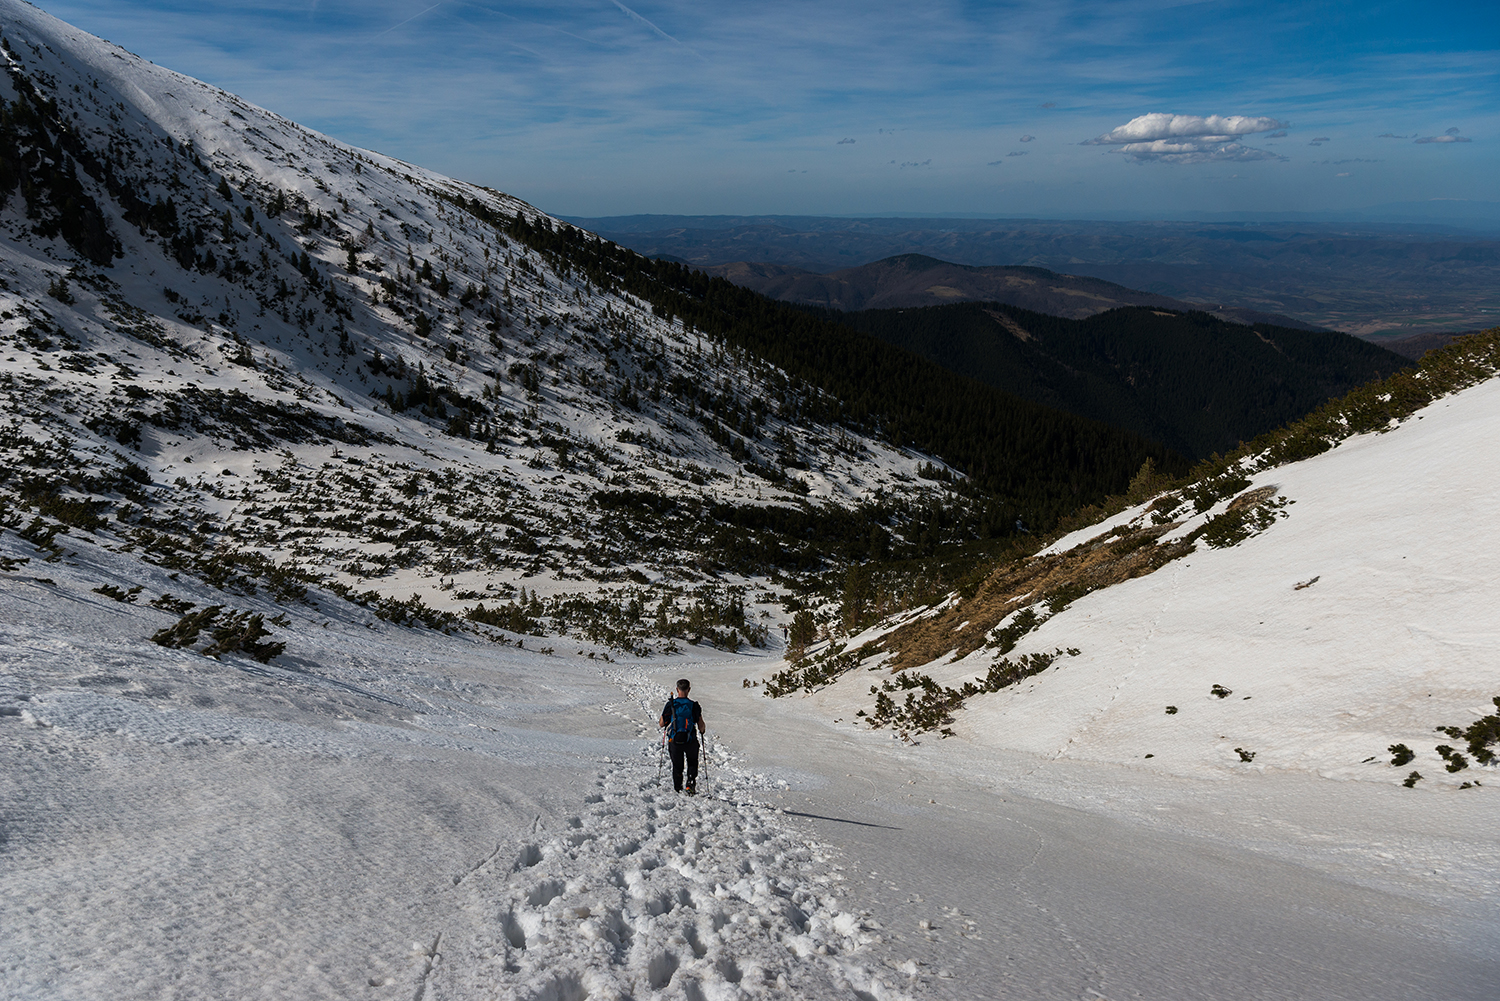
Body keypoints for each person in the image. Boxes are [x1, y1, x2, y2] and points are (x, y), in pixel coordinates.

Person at [659, 678, 705, 794]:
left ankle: (678, 787)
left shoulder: (671, 704)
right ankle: (690, 784)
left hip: (674, 740)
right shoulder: (694, 705)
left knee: (677, 765)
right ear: (689, 690)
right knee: (692, 762)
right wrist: (702, 731)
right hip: (690, 740)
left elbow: (661, 723)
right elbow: (701, 725)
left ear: (677, 689)